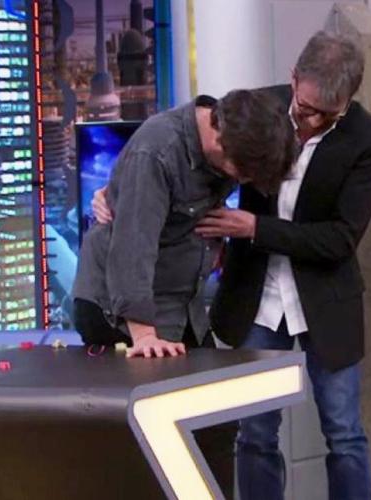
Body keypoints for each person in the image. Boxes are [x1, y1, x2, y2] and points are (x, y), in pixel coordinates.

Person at [195, 31, 371, 500]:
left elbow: (341, 238)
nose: (312, 121)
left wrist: (256, 228)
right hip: (255, 299)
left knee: (344, 435)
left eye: (329, 114)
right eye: (306, 108)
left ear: (349, 101)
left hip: (326, 302)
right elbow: (197, 163)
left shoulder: (369, 139)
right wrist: (113, 195)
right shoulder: (258, 108)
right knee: (254, 434)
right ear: (293, 78)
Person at [73, 89, 295, 498]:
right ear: (219, 142)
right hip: (120, 311)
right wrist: (143, 335)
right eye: (242, 173)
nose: (242, 181)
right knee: (145, 445)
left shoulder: (238, 123)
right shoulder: (157, 152)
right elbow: (132, 248)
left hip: (182, 306)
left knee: (216, 424)